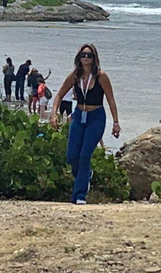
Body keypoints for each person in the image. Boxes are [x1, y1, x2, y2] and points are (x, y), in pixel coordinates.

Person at [50, 44, 121, 205]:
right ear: (79, 57)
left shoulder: (101, 76)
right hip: (79, 115)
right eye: (83, 55)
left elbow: (110, 99)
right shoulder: (75, 76)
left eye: (89, 55)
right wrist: (53, 114)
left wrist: (116, 122)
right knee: (72, 156)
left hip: (96, 117)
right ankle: (86, 175)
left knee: (85, 155)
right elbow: (59, 94)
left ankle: (80, 195)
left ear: (94, 58)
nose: (86, 58)